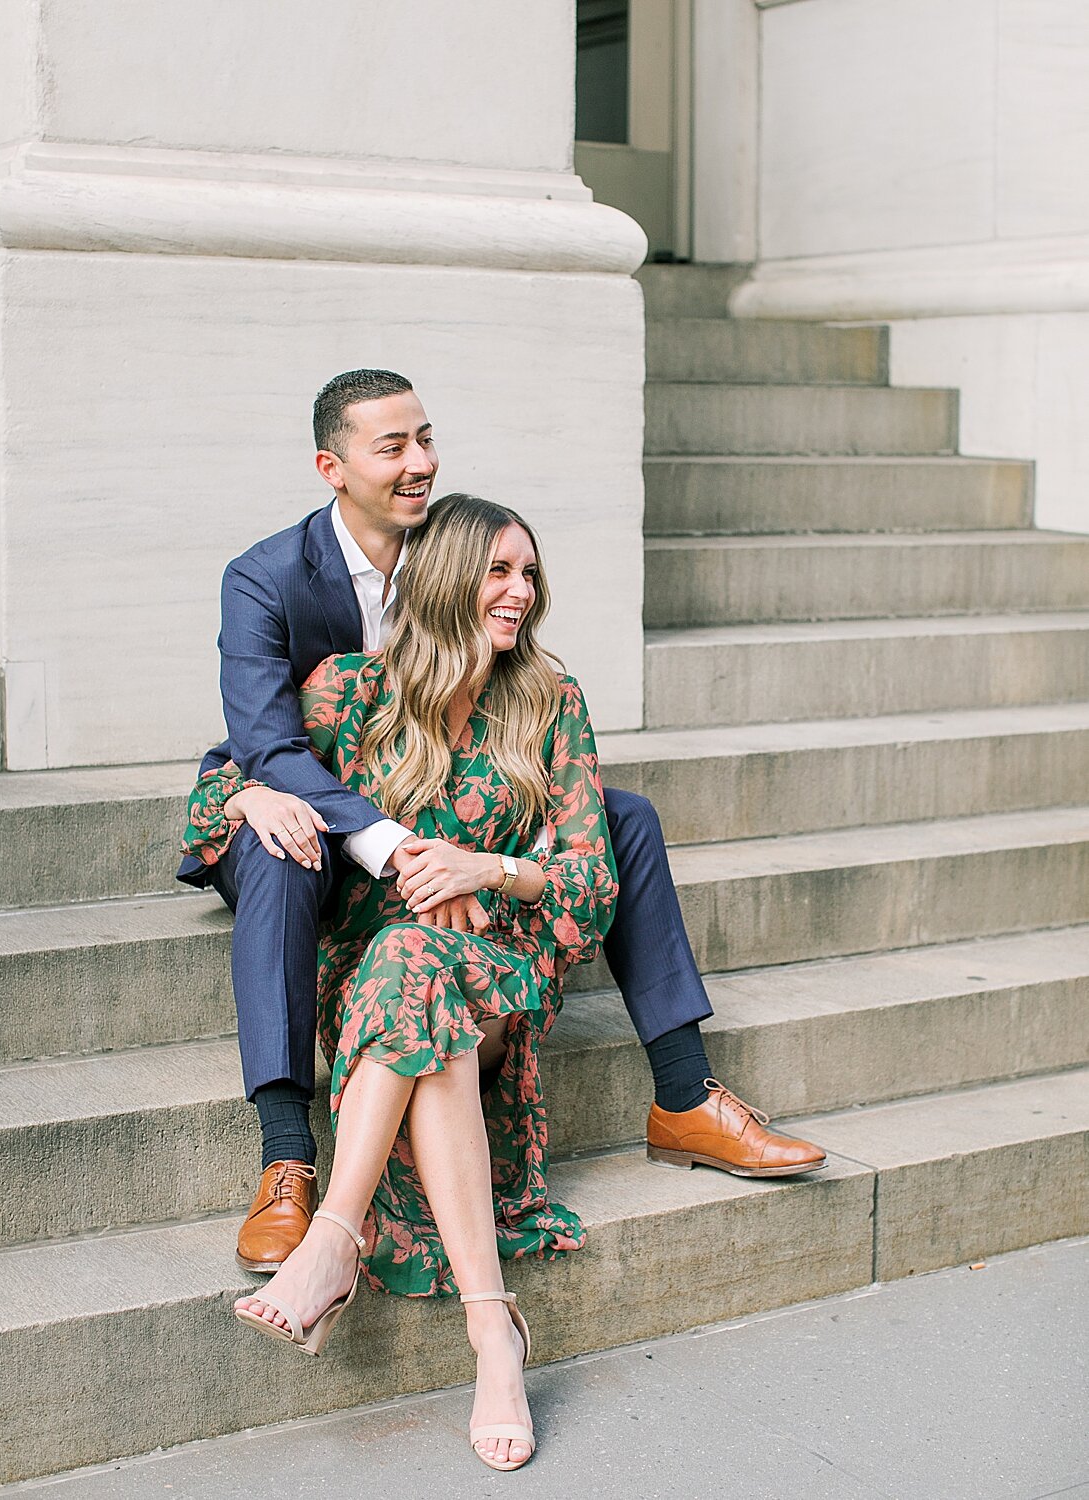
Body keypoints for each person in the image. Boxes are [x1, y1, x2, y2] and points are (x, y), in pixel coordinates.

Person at [176, 368, 824, 1275]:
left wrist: (484, 869)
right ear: (333, 466)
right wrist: (366, 837)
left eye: (425, 440)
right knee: (285, 842)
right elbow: (266, 746)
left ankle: (683, 1093)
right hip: (308, 805)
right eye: (393, 446)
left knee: (620, 817)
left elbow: (514, 718)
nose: (421, 463)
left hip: (443, 818)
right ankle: (286, 1155)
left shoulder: (459, 563)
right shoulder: (270, 580)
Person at [183, 494, 618, 1470]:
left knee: (418, 960)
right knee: (407, 960)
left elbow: (591, 886)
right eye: (497, 570)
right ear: (443, 579)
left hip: (506, 964)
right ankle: (492, 1335)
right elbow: (214, 786)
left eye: (529, 573)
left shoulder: (549, 698)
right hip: (381, 983)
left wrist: (489, 869)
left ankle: (332, 1238)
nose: (519, 592)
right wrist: (257, 791)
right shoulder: (352, 691)